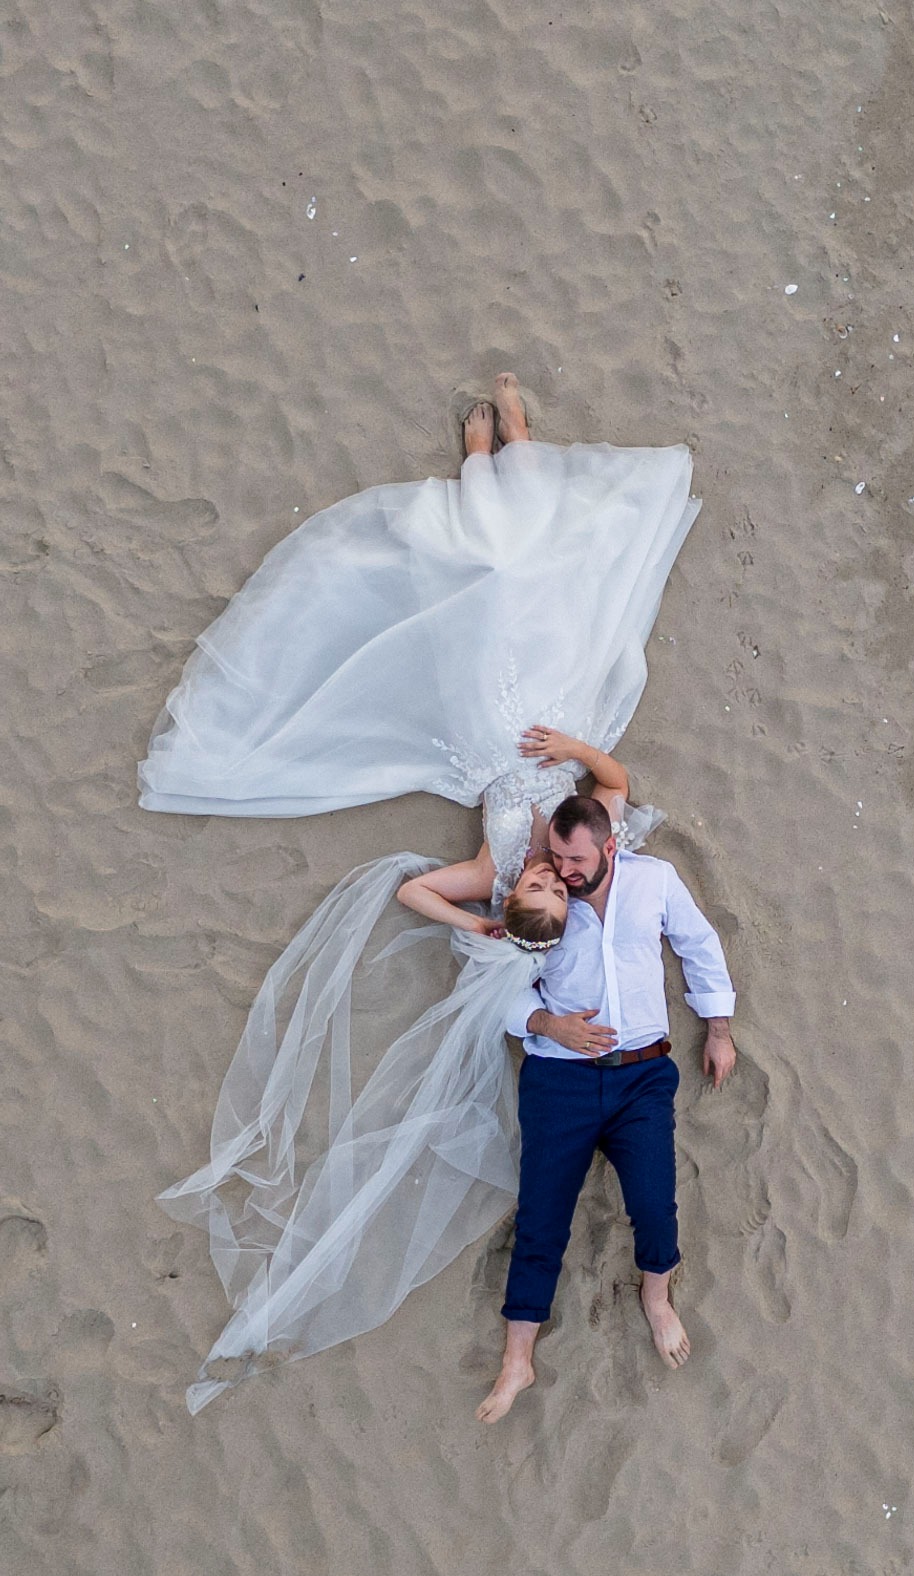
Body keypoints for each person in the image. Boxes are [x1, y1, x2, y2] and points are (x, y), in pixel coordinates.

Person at [149, 375, 705, 1410]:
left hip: (478, 740)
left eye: (540, 874)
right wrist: (572, 749)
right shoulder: (587, 847)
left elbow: (412, 895)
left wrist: (482, 911)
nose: (548, 865)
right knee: (538, 595)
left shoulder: (499, 877)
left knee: (481, 607)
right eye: (549, 873)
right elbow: (615, 788)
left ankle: (483, 463)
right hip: (555, 718)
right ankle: (512, 449)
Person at [476, 793, 736, 1424]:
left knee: (653, 1203)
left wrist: (720, 1029)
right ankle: (518, 1358)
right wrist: (547, 1024)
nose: (562, 869)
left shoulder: (654, 882)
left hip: (642, 1077)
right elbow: (490, 988)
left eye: (575, 858)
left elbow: (699, 944)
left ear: (609, 847)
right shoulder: (536, 900)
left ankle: (656, 1295)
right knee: (541, 1218)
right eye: (556, 855)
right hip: (558, 1081)